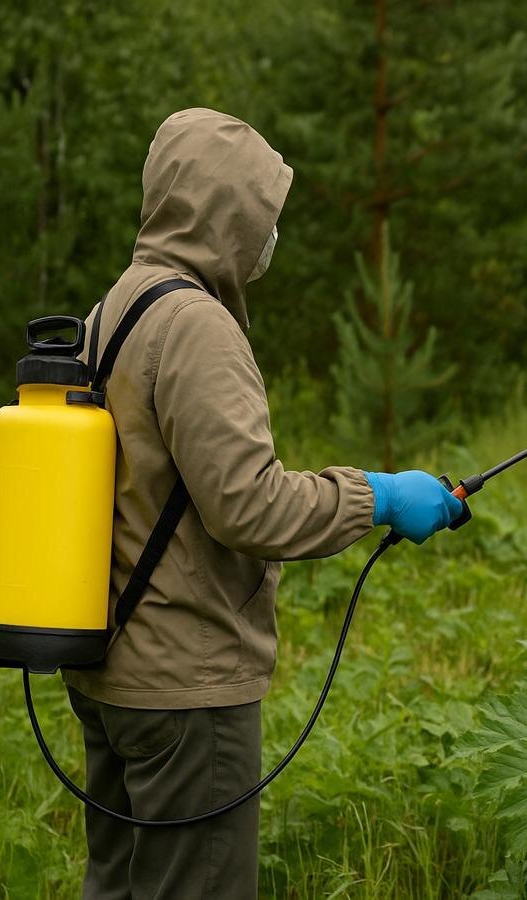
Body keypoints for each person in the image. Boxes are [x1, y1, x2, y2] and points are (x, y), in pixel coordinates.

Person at [61, 107, 462, 899]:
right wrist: (376, 494)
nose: (271, 236)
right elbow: (248, 508)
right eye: (264, 215)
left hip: (111, 673)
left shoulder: (113, 308)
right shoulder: (196, 326)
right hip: (186, 691)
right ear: (226, 215)